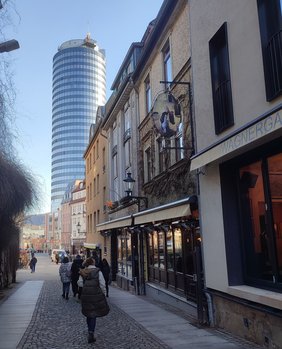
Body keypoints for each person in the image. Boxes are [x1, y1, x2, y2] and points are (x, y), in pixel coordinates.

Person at [80, 257, 110, 344]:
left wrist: (86, 286)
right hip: (96, 295)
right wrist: (103, 293)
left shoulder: (83, 271)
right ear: (93, 263)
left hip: (86, 295)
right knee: (93, 313)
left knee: (88, 313)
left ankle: (89, 329)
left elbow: (80, 283)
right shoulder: (98, 272)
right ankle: (91, 332)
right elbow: (102, 284)